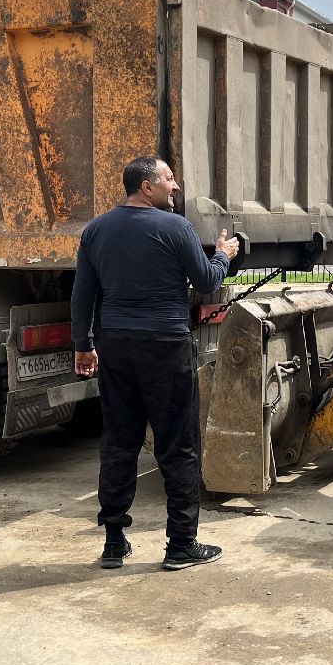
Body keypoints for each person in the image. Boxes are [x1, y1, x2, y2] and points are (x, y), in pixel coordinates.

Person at [71, 156, 240, 571]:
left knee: (119, 441)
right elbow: (206, 282)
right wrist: (222, 255)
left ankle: (114, 542)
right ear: (147, 187)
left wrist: (83, 345)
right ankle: (181, 544)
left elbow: (83, 295)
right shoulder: (176, 228)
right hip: (166, 346)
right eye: (168, 179)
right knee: (178, 444)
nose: (176, 186)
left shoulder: (96, 231)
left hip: (116, 345)